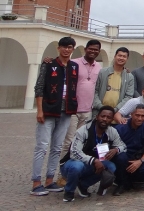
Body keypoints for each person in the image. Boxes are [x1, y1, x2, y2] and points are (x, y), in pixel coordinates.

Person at [31, 36, 79, 196]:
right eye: (64, 46)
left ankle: (49, 180)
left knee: (57, 147)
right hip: (49, 109)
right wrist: (39, 110)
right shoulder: (49, 64)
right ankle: (36, 182)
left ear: (73, 49)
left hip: (66, 111)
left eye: (70, 47)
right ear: (58, 48)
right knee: (42, 146)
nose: (66, 49)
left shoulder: (73, 66)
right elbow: (39, 88)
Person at [60, 106, 126, 202]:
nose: (105, 119)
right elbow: (74, 153)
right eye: (102, 116)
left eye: (108, 118)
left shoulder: (112, 131)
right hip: (71, 163)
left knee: (111, 167)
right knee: (77, 166)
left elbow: (123, 146)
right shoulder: (83, 130)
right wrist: (94, 160)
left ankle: (83, 185)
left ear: (112, 120)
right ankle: (69, 191)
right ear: (97, 117)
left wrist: (116, 150)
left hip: (92, 165)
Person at [58, 39, 102, 185]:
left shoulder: (99, 67)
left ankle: (78, 170)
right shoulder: (74, 63)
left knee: (82, 142)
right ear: (85, 49)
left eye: (96, 50)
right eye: (91, 49)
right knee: (69, 141)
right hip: (72, 110)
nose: (93, 51)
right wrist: (48, 60)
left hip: (88, 110)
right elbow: (61, 67)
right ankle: (63, 173)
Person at [113, 104, 144, 196]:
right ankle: (121, 183)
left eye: (143, 116)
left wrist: (140, 161)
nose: (140, 118)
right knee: (121, 158)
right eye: (137, 115)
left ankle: (129, 180)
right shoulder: (120, 128)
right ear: (131, 114)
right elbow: (113, 147)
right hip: (123, 156)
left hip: (138, 157)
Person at [93, 47, 134, 117]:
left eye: (124, 56)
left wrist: (116, 109)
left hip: (117, 115)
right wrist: (100, 107)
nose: (121, 58)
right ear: (115, 56)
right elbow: (95, 91)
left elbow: (128, 96)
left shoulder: (129, 76)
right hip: (99, 113)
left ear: (127, 59)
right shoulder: (103, 72)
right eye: (119, 55)